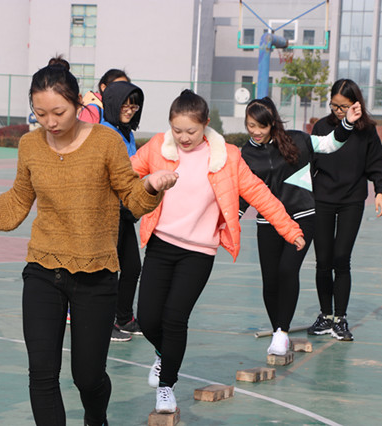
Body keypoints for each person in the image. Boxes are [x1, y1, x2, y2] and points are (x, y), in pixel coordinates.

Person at [0, 58, 177, 426]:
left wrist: (151, 185)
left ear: (78, 105)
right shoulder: (30, 146)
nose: (50, 121)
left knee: (88, 377)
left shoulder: (106, 142)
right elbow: (18, 201)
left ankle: (96, 419)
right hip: (43, 272)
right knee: (42, 374)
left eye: (58, 112)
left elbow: (131, 197)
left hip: (96, 275)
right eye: (40, 113)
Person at [130, 90, 305, 414]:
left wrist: (290, 229)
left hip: (198, 252)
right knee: (149, 317)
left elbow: (260, 194)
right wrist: (147, 182)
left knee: (174, 318)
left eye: (191, 131)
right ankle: (163, 354)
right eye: (177, 130)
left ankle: (166, 386)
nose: (183, 137)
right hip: (160, 244)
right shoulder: (158, 146)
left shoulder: (226, 157)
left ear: (205, 125)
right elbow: (125, 174)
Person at [239, 97, 361, 355]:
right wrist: (226, 223)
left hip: (302, 217)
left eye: (261, 125)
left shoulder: (297, 140)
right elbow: (242, 194)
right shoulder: (245, 154)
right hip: (268, 221)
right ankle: (277, 333)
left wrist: (347, 123)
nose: (256, 131)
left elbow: (329, 144)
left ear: (272, 123)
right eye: (250, 125)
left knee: (287, 271)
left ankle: (283, 331)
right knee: (270, 281)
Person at [308, 79, 382, 341]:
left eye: (343, 107)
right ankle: (325, 315)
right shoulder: (322, 127)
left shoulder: (366, 131)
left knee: (341, 258)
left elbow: (377, 161)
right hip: (321, 200)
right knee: (323, 261)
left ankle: (340, 319)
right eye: (334, 105)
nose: (338, 111)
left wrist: (380, 191)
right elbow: (309, 160)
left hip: (351, 200)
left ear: (356, 104)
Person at [100, 81, 145, 342]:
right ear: (113, 104)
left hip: (124, 211)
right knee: (108, 271)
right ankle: (106, 323)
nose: (129, 109)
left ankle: (124, 317)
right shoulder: (104, 132)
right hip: (107, 212)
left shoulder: (126, 133)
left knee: (131, 267)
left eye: (134, 104)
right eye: (125, 104)